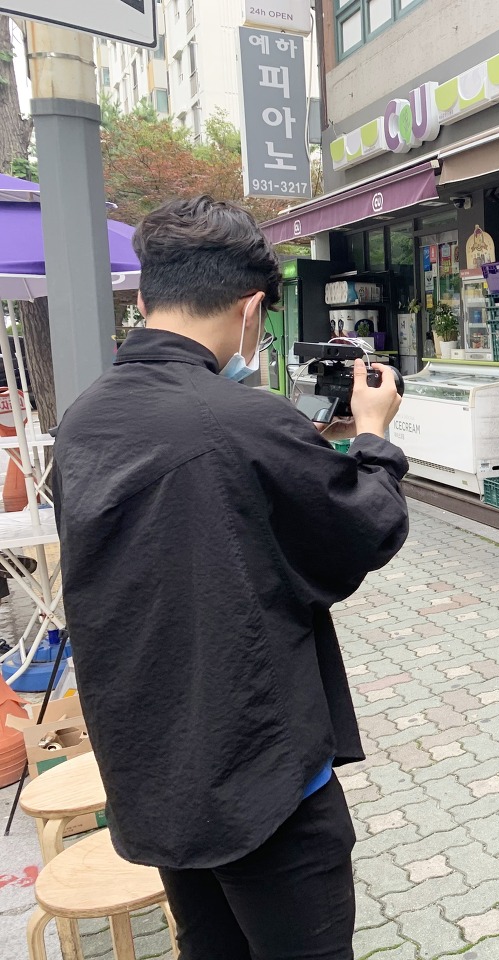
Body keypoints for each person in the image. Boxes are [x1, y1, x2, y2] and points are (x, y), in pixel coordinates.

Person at [51, 196, 409, 960]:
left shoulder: (83, 420)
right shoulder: (243, 418)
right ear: (251, 309)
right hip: (261, 777)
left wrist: (297, 446)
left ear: (145, 299)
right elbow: (364, 528)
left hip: (154, 770)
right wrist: (374, 434)